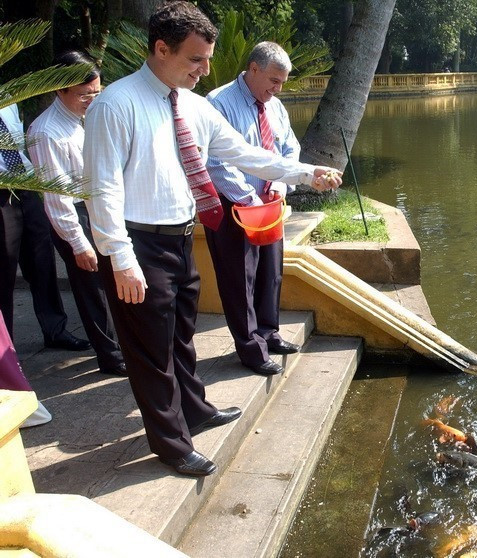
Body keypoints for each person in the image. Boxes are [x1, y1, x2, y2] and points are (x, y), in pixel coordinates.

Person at [82, 1, 342, 477]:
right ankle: (171, 444)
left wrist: (306, 173)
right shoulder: (115, 105)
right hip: (137, 244)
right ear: (161, 49)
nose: (205, 70)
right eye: (195, 60)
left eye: (207, 59)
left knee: (180, 338)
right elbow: (101, 191)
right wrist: (120, 261)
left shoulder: (194, 106)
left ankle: (196, 410)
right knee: (151, 353)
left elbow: (245, 154)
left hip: (181, 238)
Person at [204, 42, 308, 377]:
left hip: (270, 201)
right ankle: (249, 348)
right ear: (253, 68)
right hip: (234, 204)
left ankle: (268, 331)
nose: (277, 89)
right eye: (274, 81)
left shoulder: (275, 106)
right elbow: (216, 160)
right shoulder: (218, 103)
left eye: (282, 83)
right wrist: (248, 198)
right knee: (240, 277)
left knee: (270, 270)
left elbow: (289, 146)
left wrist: (279, 183)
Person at [27, 51, 126, 376]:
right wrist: (78, 243)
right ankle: (110, 355)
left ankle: (121, 345)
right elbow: (55, 195)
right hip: (74, 214)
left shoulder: (89, 117)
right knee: (92, 289)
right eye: (84, 95)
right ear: (60, 89)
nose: (91, 100)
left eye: (96, 93)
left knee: (115, 279)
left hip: (100, 206)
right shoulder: (46, 131)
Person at [0, 103, 90, 351]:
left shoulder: (7, 100)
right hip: (1, 195)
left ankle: (55, 330)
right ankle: (6, 351)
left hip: (27, 190)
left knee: (42, 263)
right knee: (4, 272)